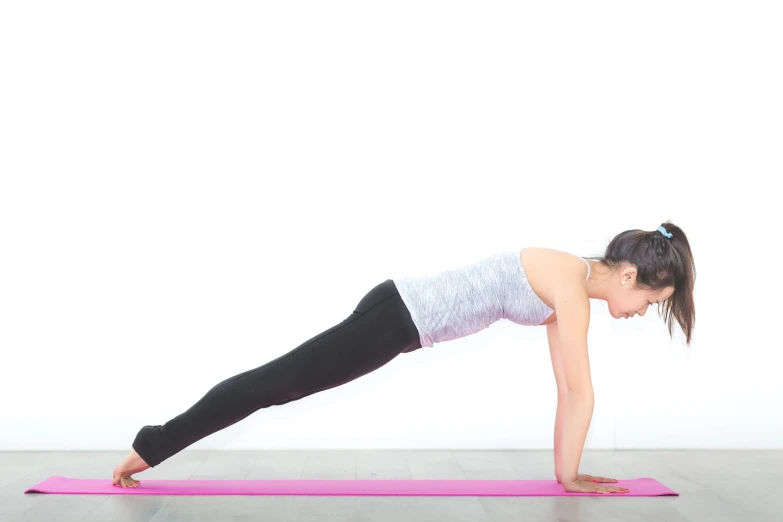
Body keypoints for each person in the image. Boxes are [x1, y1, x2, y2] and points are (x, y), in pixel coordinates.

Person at [112, 222, 696, 494]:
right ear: (627, 274)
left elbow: (568, 385)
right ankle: (153, 443)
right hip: (399, 316)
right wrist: (569, 478)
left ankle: (153, 444)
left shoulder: (567, 288)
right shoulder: (570, 285)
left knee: (279, 382)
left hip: (398, 314)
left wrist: (565, 474)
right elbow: (582, 391)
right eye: (650, 298)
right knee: (278, 382)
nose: (644, 310)